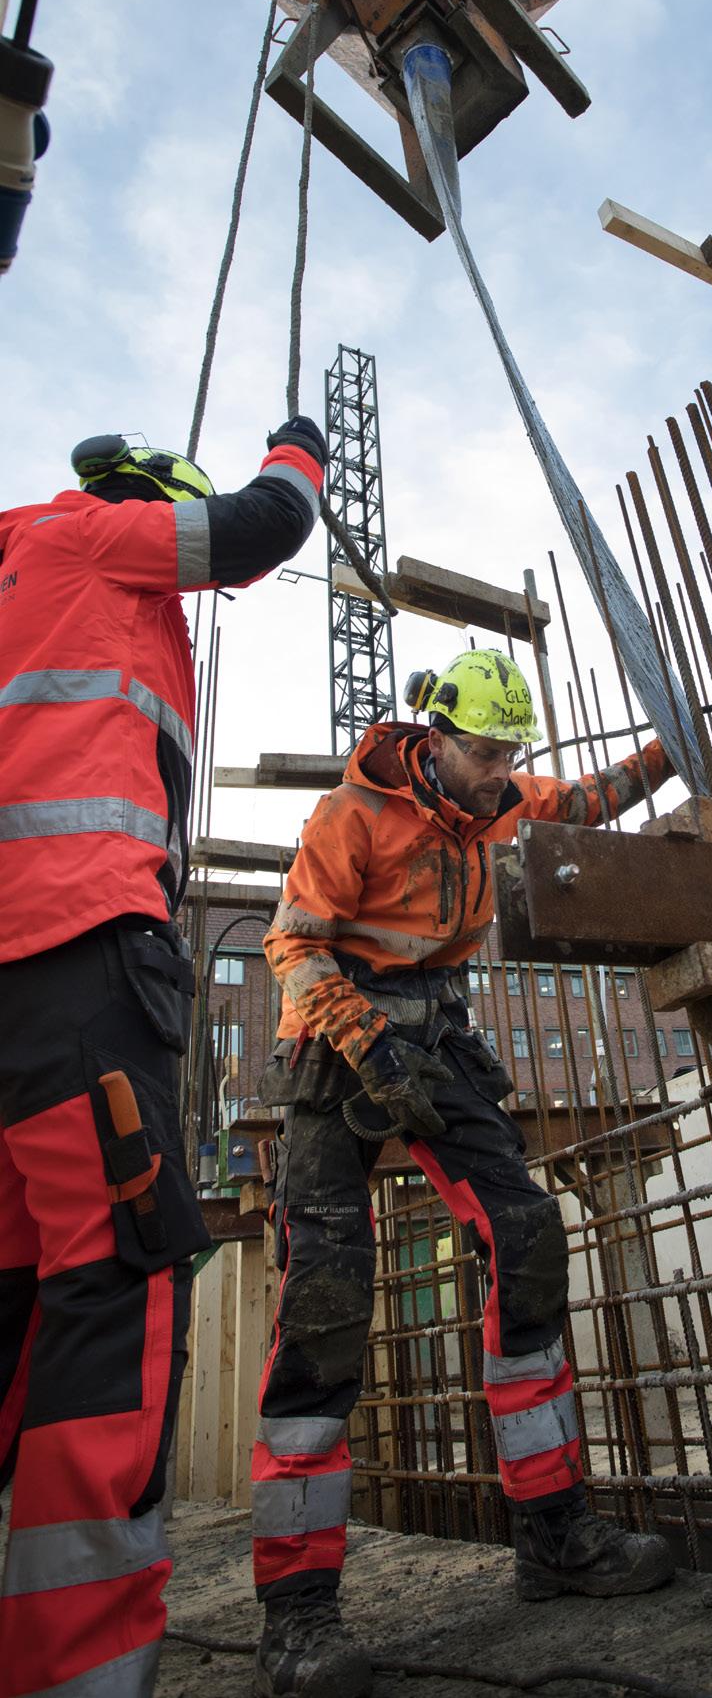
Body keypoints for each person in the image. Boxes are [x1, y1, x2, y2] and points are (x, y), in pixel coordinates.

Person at [254, 649, 677, 1698]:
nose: (502, 774)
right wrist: (364, 1039)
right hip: (335, 1042)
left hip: (436, 1038)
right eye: (487, 754)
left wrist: (676, 743)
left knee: (526, 1233)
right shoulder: (350, 816)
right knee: (325, 1294)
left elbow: (585, 796)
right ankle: (296, 1614)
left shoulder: (486, 802)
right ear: (432, 739)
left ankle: (552, 1536)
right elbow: (291, 946)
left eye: (508, 757)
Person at [0, 417, 326, 1698]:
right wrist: (297, 453)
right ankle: (79, 1672)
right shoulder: (91, 537)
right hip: (79, 943)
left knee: (18, 1291)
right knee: (114, 1280)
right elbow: (259, 530)